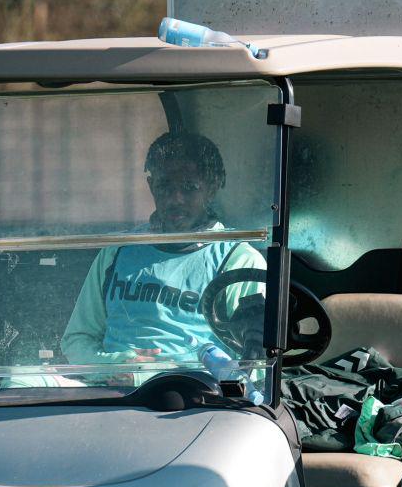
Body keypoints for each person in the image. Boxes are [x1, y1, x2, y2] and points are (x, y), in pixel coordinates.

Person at [62, 130, 265, 374]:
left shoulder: (238, 261)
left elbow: (255, 364)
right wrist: (115, 366)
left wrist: (164, 373)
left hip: (190, 398)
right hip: (108, 391)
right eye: (165, 186)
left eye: (189, 187)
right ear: (151, 186)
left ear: (212, 187)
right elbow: (77, 339)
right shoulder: (117, 251)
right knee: (16, 388)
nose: (175, 199)